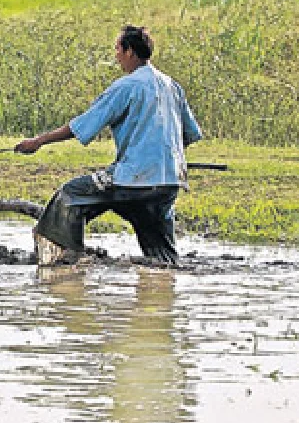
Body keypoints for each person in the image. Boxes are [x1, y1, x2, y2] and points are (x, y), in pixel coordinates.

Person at [15, 25, 202, 266]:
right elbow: (190, 134)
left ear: (130, 51)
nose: (116, 56)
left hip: (132, 180)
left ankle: (64, 263)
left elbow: (82, 125)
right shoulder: (172, 86)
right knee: (162, 259)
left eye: (118, 49)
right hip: (169, 183)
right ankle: (162, 276)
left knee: (71, 194)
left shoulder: (126, 86)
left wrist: (38, 141)